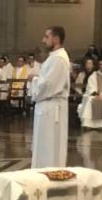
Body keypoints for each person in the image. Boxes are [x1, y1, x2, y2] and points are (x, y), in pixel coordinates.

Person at [28, 25, 70, 168]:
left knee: (50, 146)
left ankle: (50, 174)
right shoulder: (53, 58)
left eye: (47, 37)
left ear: (56, 39)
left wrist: (34, 79)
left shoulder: (59, 59)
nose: (43, 40)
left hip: (52, 110)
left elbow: (47, 86)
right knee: (44, 145)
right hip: (47, 107)